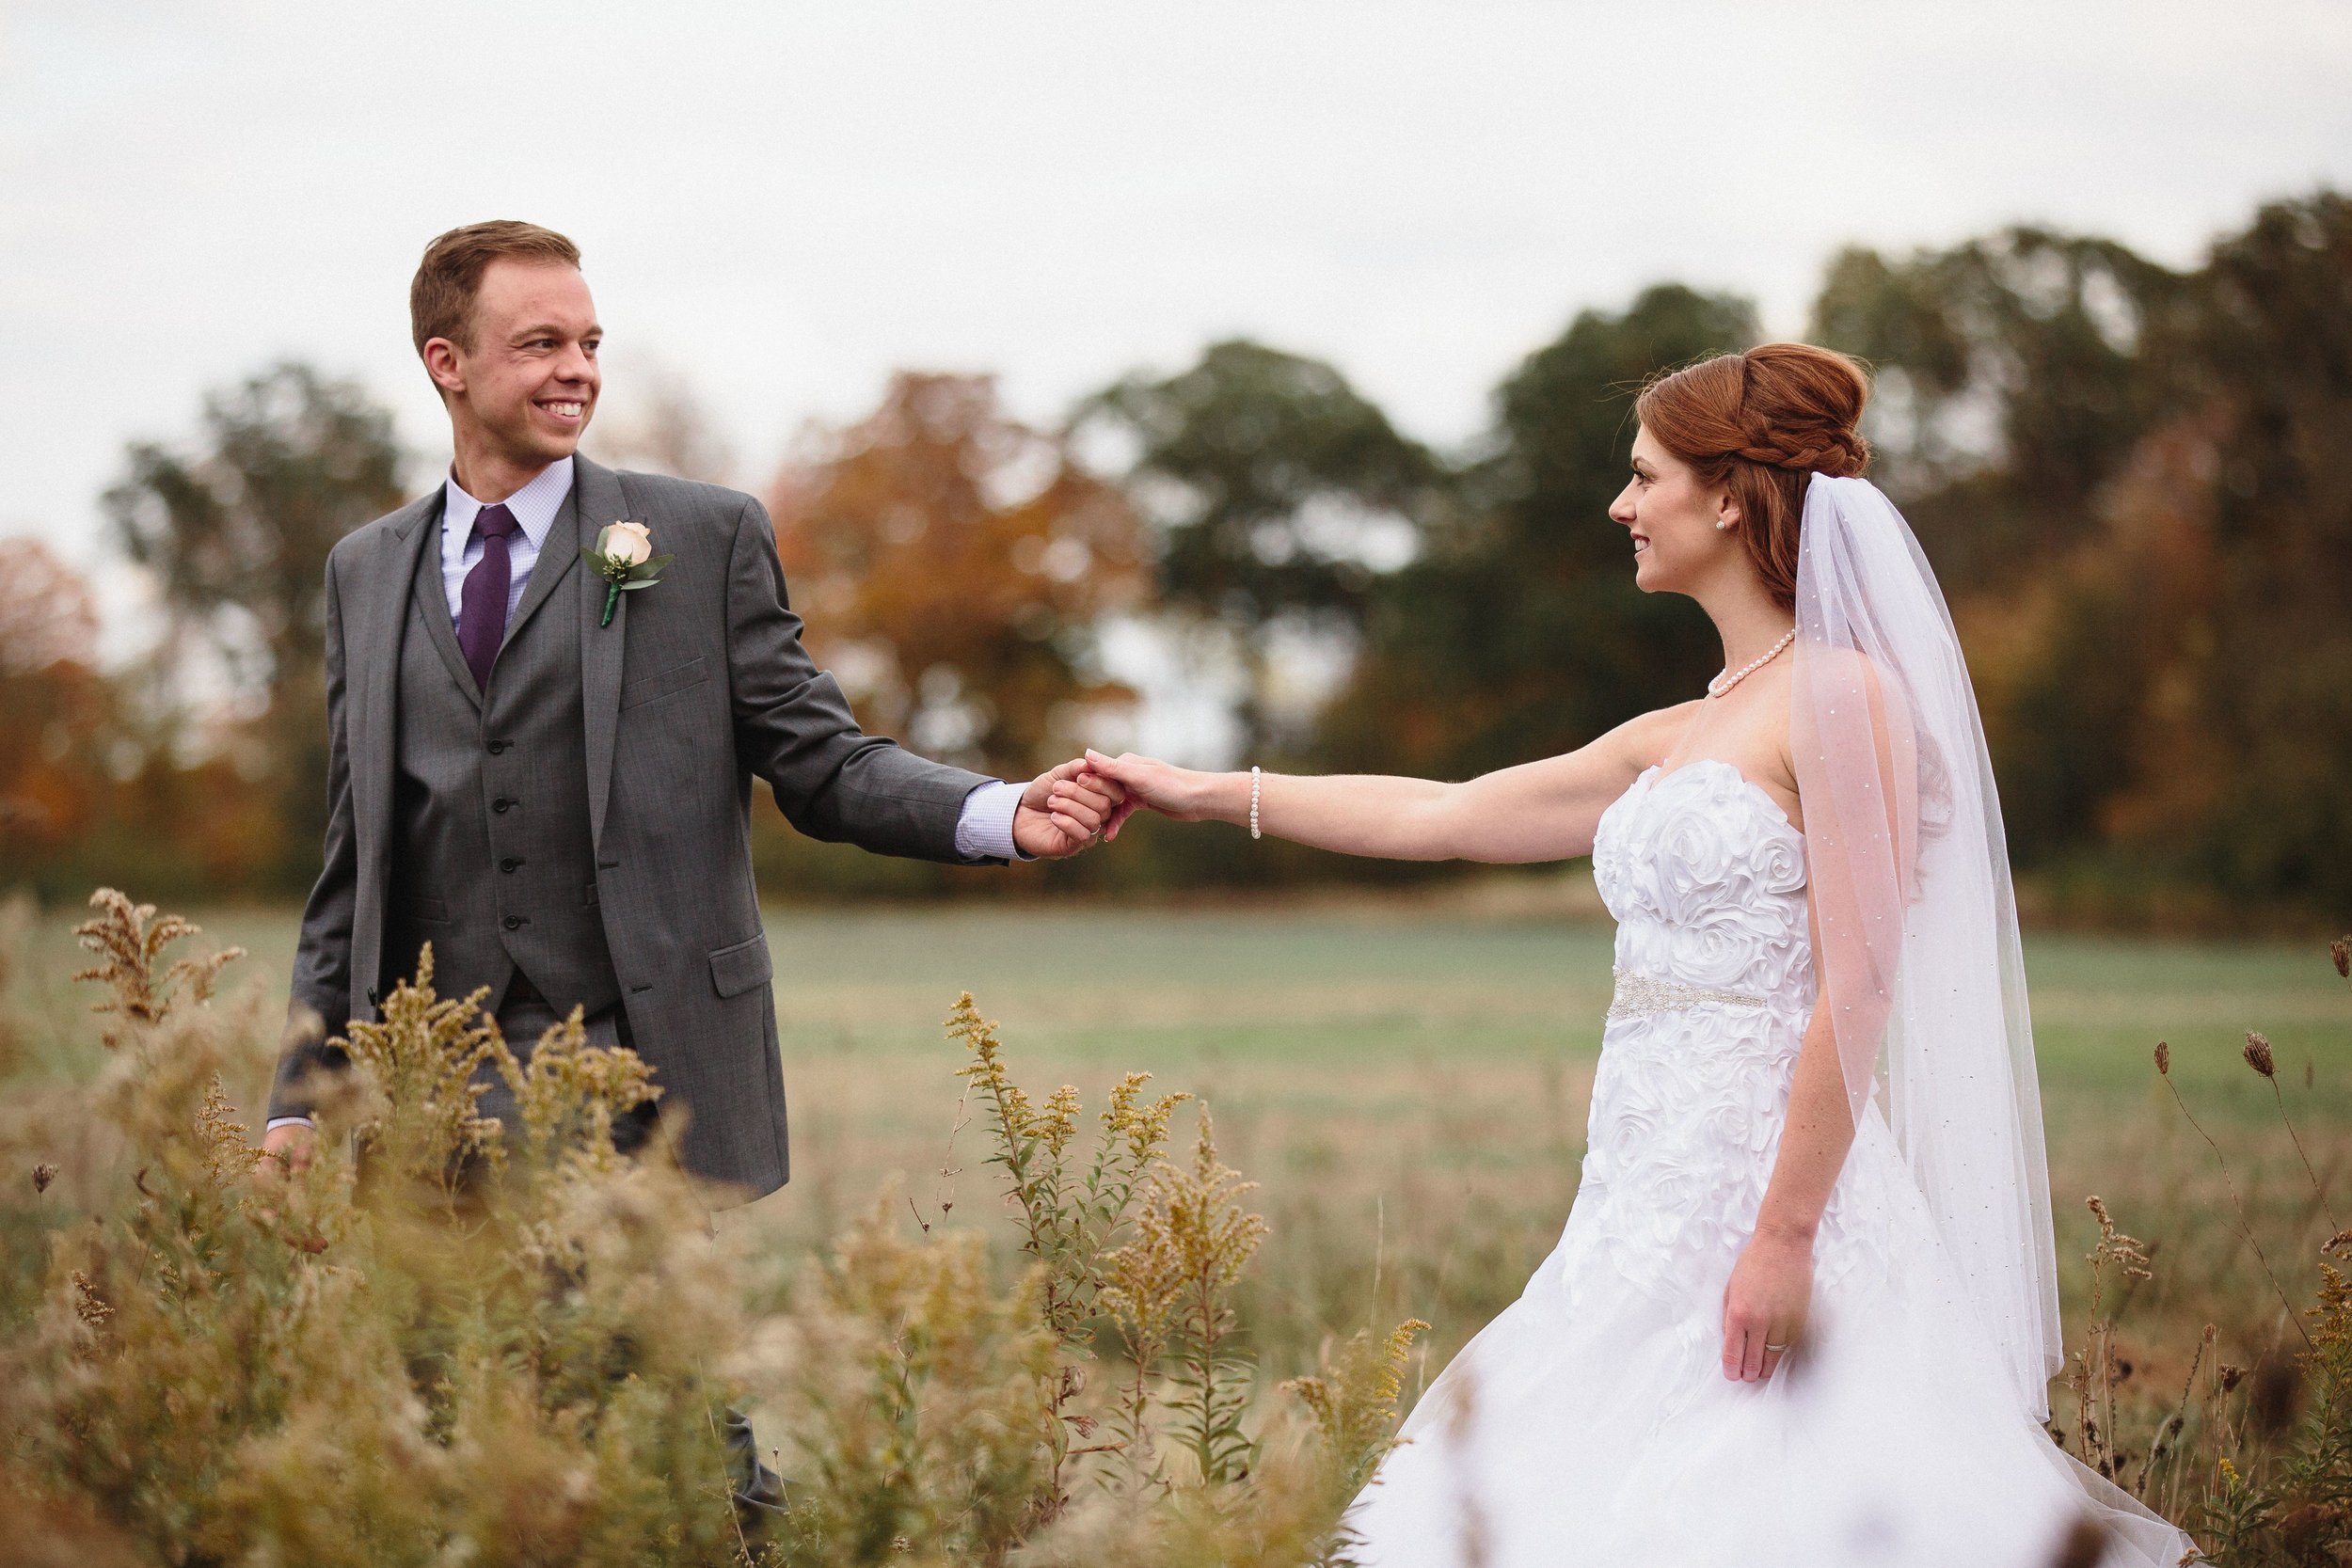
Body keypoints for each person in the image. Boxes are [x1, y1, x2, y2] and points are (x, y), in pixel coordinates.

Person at [1073, 344, 2196, 1566]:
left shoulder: (1844, 698)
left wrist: (1783, 1238)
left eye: (1644, 475)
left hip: (1774, 1196)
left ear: (1726, 495)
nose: (1622, 506)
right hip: (1639, 1194)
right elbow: (1445, 816)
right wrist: (1190, 790)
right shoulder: (1686, 726)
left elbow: (1860, 981)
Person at [261, 219, 1121, 1516]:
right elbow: (355, 865)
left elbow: (821, 765)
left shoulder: (699, 537)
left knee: (655, 1420)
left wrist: (998, 811)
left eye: (590, 342)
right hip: (425, 1095)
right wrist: (295, 1093)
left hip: (632, 1074)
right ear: (446, 360)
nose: (577, 370)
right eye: (539, 342)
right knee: (453, 1441)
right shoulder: (363, 573)